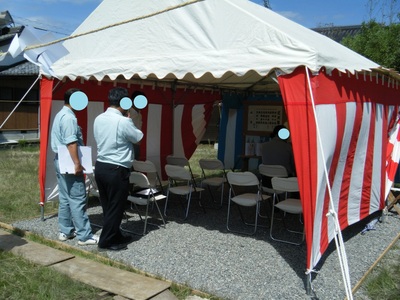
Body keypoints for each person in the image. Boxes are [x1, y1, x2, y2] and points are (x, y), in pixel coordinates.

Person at [94, 87, 144, 251]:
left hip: (101, 165)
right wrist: (131, 121)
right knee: (117, 206)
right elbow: (138, 138)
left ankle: (115, 234)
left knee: (108, 205)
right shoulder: (123, 121)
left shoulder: (99, 118)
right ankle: (106, 241)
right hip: (117, 168)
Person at [50, 88, 99, 246]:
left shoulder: (60, 114)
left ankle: (66, 231)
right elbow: (71, 143)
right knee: (77, 198)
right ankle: (84, 236)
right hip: (70, 161)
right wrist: (77, 163)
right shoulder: (69, 118)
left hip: (60, 160)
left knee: (65, 198)